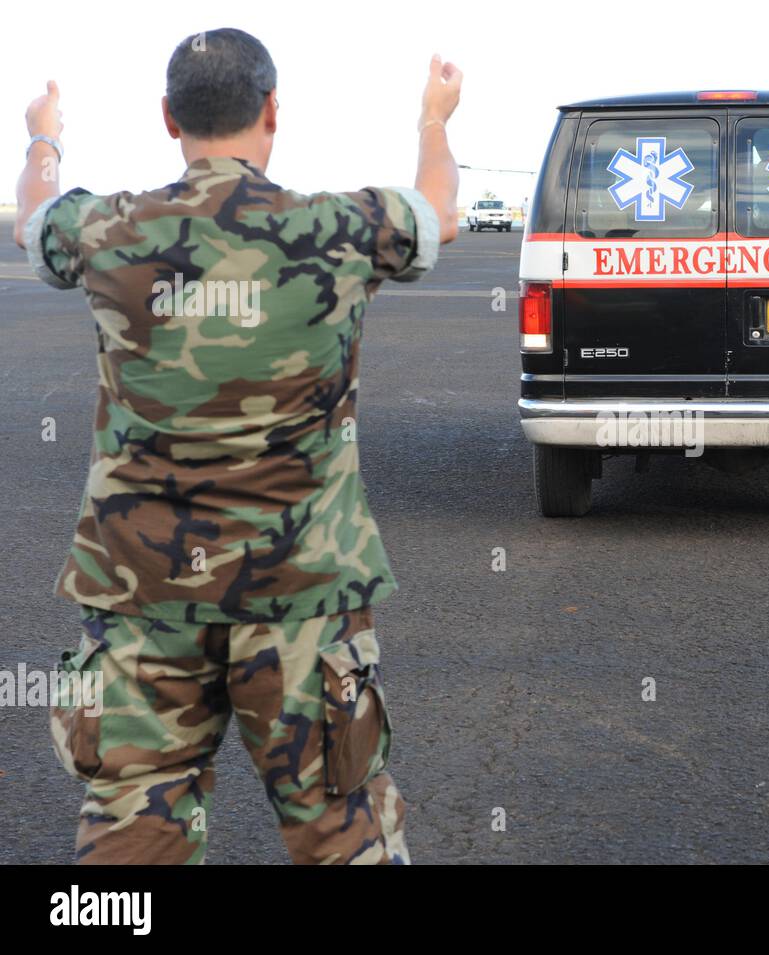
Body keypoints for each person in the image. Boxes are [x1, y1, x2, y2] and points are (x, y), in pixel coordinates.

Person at [13, 28, 462, 864]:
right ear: (272, 111)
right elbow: (440, 210)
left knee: (130, 831)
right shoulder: (337, 226)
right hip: (300, 597)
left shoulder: (107, 229)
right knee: (341, 824)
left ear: (167, 118)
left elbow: (34, 214)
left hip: (142, 597)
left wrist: (45, 131)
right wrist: (434, 119)